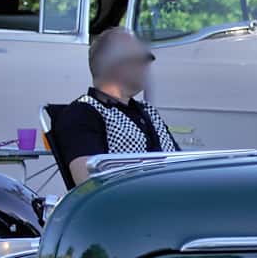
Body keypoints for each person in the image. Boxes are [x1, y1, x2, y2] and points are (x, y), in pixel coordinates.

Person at [46, 28, 177, 190]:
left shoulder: (148, 111)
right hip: (133, 209)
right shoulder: (82, 113)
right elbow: (88, 186)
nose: (146, 66)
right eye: (140, 59)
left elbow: (181, 164)